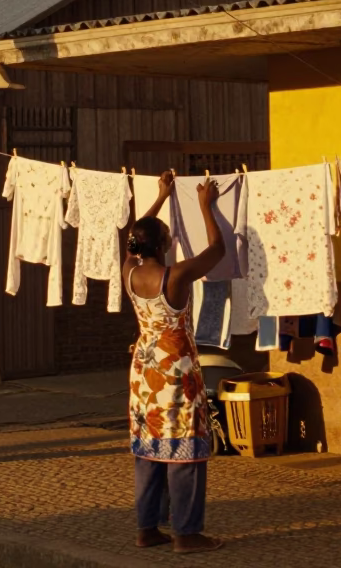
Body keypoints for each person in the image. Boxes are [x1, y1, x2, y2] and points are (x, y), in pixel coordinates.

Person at [123, 170, 225, 554]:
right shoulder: (175, 276)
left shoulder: (130, 273)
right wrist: (205, 206)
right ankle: (186, 534)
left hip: (144, 375)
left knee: (148, 451)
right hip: (177, 374)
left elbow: (132, 241)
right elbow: (217, 251)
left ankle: (147, 529)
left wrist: (161, 196)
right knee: (186, 453)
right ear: (165, 244)